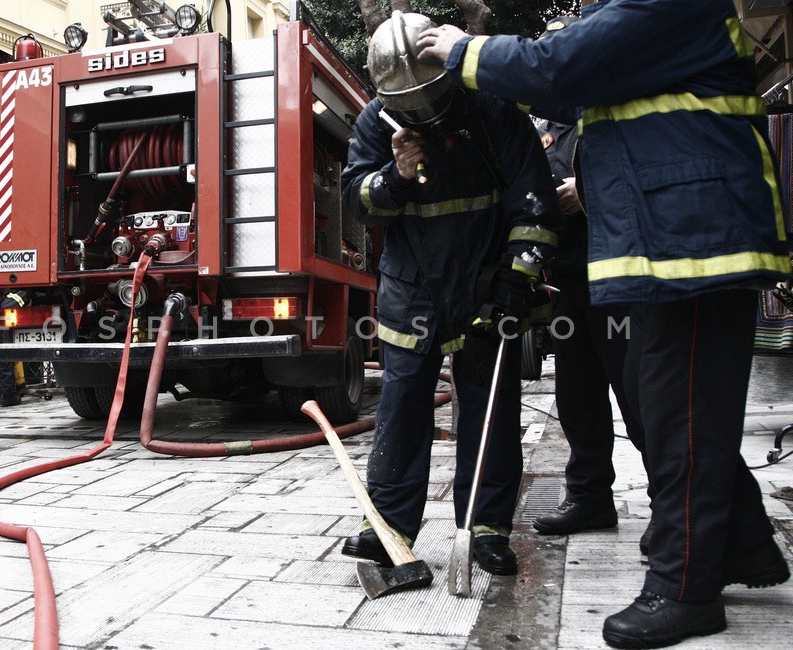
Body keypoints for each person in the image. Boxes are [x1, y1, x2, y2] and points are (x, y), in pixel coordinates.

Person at [417, 0, 792, 646]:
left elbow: (559, 66)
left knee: (682, 424)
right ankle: (746, 544)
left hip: (694, 242)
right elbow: (583, 94)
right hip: (674, 239)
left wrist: (459, 49)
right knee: (674, 412)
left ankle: (683, 588)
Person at [339, 11, 560, 576]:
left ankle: (485, 529)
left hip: (485, 281)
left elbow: (532, 198)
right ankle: (387, 527)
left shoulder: (490, 109)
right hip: (411, 288)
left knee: (490, 406)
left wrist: (518, 276)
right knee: (402, 406)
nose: (418, 111)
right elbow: (353, 204)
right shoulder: (374, 122)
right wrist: (392, 176)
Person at [530, 15, 651, 549]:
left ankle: (671, 502)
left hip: (619, 275)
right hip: (566, 278)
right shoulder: (541, 120)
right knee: (577, 392)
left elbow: (640, 168)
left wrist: (589, 190)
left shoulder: (608, 102)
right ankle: (590, 497)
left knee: (641, 392)